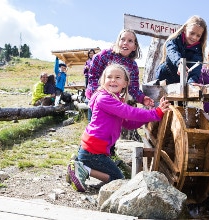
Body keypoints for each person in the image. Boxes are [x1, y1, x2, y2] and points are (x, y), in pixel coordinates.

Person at [67, 64, 171, 192]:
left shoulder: (113, 99)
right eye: (109, 77)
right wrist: (156, 113)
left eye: (117, 77)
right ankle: (82, 169)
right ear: (103, 81)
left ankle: (81, 168)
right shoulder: (104, 98)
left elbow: (128, 123)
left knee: (117, 178)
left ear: (125, 83)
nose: (113, 80)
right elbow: (128, 112)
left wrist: (149, 117)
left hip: (95, 149)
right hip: (93, 151)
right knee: (118, 179)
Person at [86, 29, 155, 110]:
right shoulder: (104, 55)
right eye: (122, 39)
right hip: (97, 98)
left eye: (130, 41)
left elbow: (133, 88)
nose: (125, 43)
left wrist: (142, 99)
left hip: (115, 100)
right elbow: (93, 77)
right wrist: (99, 95)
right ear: (118, 42)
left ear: (134, 47)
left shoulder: (132, 66)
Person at [155, 15, 208, 85]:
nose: (194, 37)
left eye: (198, 35)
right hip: (164, 76)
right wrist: (180, 63)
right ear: (185, 29)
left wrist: (191, 82)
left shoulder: (198, 51)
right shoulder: (174, 40)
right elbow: (172, 52)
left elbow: (196, 69)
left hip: (181, 81)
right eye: (192, 33)